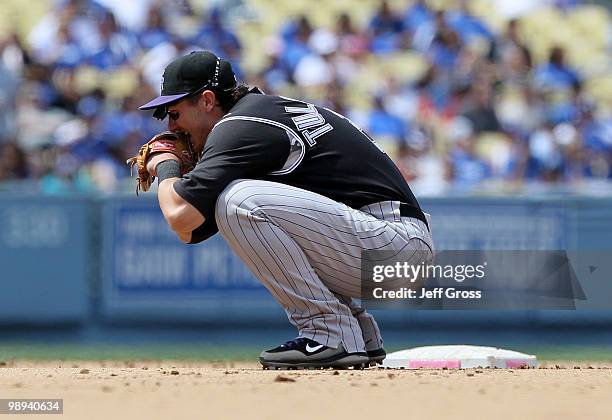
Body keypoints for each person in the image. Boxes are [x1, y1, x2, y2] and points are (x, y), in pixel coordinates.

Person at [138, 50, 435, 369]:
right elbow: (189, 229)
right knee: (235, 202)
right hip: (391, 245)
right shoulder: (257, 118)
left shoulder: (240, 126)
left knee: (237, 201)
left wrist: (166, 167)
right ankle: (358, 335)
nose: (171, 126)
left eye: (175, 112)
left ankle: (329, 333)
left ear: (208, 101)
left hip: (394, 247)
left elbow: (179, 214)